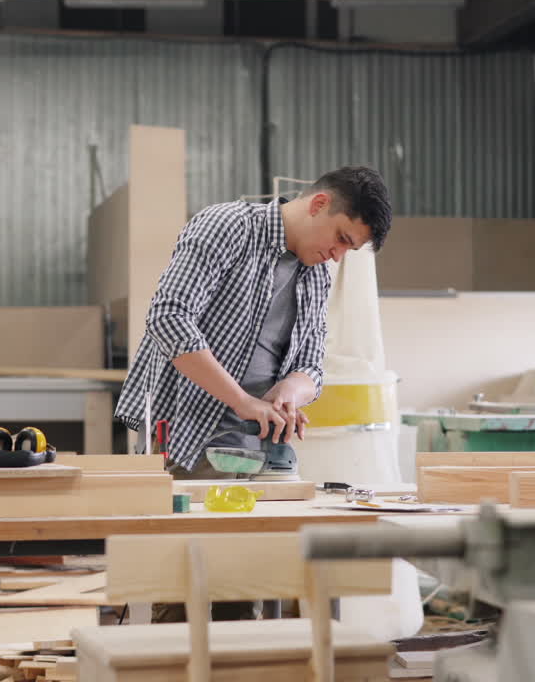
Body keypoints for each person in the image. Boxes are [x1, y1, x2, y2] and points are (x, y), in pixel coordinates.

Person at [114, 165, 391, 622]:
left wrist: (291, 391)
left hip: (260, 447)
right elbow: (169, 317)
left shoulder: (317, 272)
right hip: (189, 434)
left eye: (350, 249)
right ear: (319, 203)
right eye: (341, 238)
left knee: (255, 587)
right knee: (196, 592)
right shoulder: (228, 226)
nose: (339, 256)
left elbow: (312, 363)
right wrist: (240, 399)